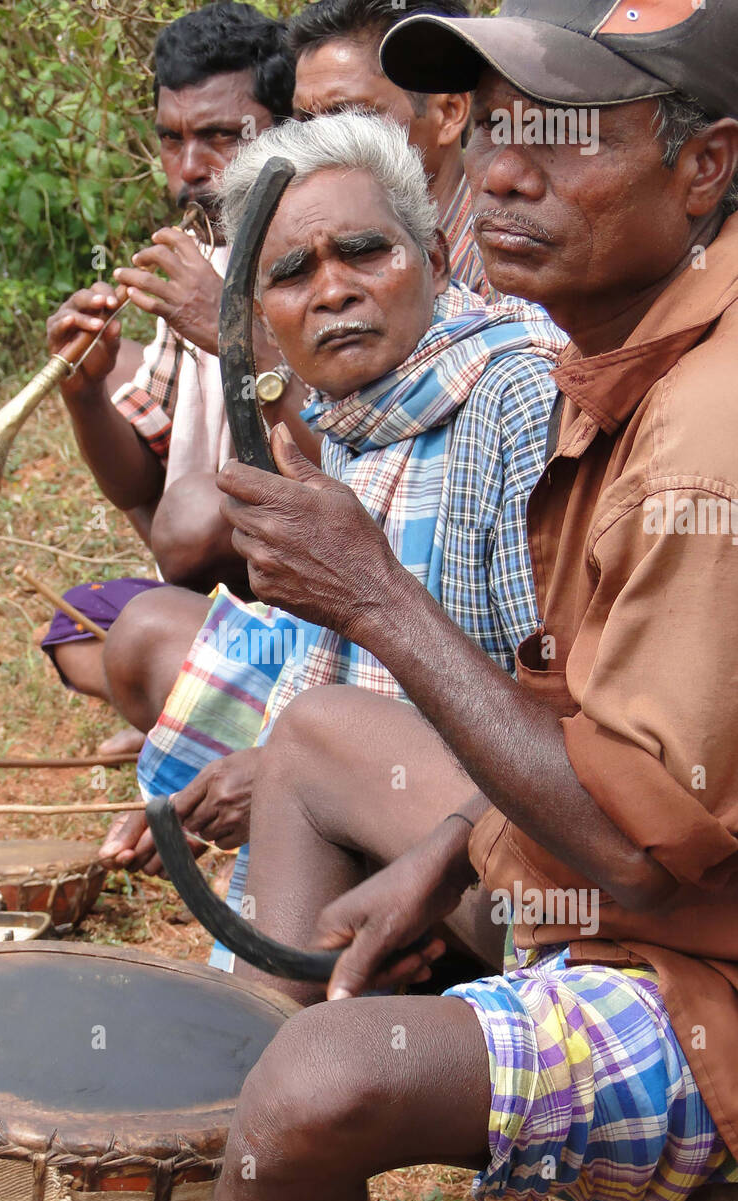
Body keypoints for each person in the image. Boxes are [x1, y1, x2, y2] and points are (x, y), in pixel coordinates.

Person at [174, 0, 738, 1201]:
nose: (501, 173)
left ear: (702, 164)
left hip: (695, 964)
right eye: (486, 132)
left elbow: (630, 838)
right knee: (313, 751)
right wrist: (444, 858)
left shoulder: (693, 433)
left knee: (322, 1078)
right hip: (646, 886)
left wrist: (370, 595)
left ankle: (268, 1117)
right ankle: (253, 1143)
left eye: (560, 134)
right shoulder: (628, 368)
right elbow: (593, 720)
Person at [98, 110, 565, 943]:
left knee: (318, 739)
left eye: (363, 252)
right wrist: (275, 775)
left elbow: (564, 734)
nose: (332, 291)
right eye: (290, 273)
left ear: (435, 258)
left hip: (544, 867)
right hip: (434, 823)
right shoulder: (356, 420)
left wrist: (300, 771)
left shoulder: (514, 399)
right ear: (257, 315)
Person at [37, 2, 307, 732]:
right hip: (217, 590)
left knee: (170, 565)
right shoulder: (202, 257)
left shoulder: (333, 252)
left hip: (317, 595)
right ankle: (195, 702)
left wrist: (228, 327)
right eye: (171, 140)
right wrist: (86, 396)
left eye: (221, 137)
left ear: (287, 130)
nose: (189, 169)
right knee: (74, 627)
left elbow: (350, 439)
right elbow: (138, 488)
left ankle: (200, 709)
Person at [288, 0, 490, 295]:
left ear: (448, 113)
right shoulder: (306, 250)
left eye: (349, 116)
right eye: (305, 121)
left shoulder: (502, 262)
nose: (318, 142)